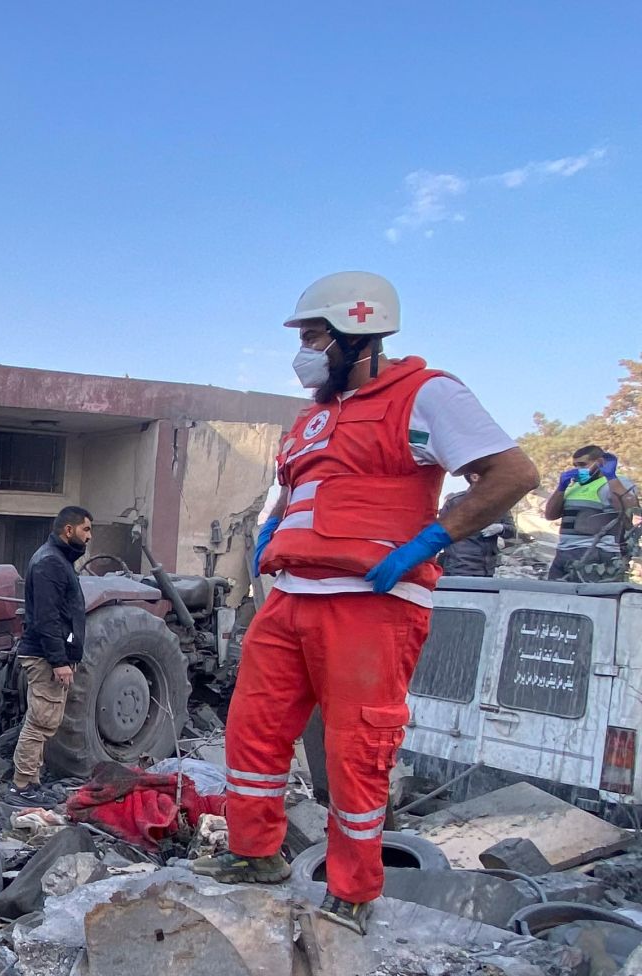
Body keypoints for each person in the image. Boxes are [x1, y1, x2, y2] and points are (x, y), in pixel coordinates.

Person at [193, 271, 537, 934]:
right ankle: (255, 853)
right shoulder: (312, 417)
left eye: (313, 337)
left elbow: (513, 474)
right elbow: (298, 490)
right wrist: (273, 530)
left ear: (358, 334)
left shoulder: (425, 393)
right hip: (291, 595)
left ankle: (352, 889)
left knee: (357, 748)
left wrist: (429, 542)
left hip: (369, 600)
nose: (304, 351)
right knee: (253, 730)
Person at [9, 507, 92, 804]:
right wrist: (59, 660)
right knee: (40, 721)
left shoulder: (57, 560)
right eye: (86, 529)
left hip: (49, 654)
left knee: (44, 720)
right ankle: (21, 787)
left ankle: (32, 782)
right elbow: (47, 617)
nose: (89, 536)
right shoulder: (51, 562)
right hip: (45, 656)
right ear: (68, 530)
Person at [543, 445, 634, 581]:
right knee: (556, 592)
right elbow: (550, 515)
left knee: (587, 594)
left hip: (595, 553)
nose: (578, 469)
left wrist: (611, 477)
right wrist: (561, 488)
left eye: (583, 464)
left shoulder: (615, 482)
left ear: (600, 462)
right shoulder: (574, 486)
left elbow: (629, 508)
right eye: (575, 465)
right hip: (564, 552)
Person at [437, 487, 511, 577]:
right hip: (459, 568)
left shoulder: (501, 502)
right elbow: (439, 533)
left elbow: (512, 531)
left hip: (487, 570)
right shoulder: (455, 502)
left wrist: (501, 528)